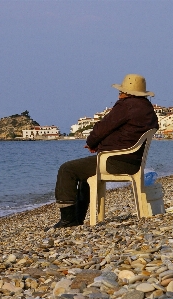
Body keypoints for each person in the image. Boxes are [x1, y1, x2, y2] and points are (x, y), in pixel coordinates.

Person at [50, 74, 159, 229]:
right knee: (84, 172)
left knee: (67, 169)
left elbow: (102, 128)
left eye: (121, 92)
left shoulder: (125, 106)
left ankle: (68, 220)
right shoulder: (148, 109)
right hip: (133, 162)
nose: (119, 95)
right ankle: (76, 219)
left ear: (125, 93)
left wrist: (92, 143)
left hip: (115, 162)